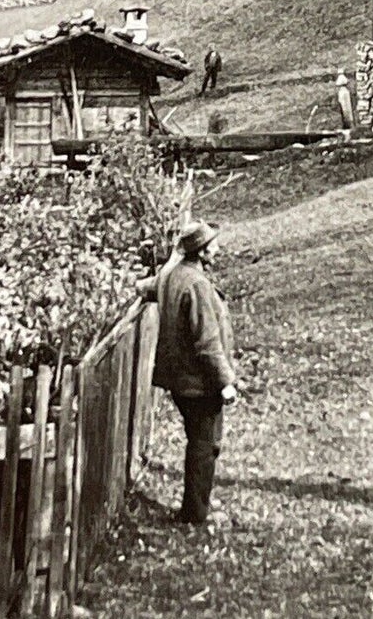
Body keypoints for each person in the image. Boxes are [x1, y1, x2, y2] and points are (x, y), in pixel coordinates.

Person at [143, 219, 237, 524]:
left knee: (199, 440)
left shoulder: (171, 276)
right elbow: (207, 342)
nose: (218, 250)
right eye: (214, 246)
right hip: (198, 381)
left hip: (179, 380)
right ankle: (195, 514)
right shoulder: (196, 284)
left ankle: (194, 506)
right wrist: (226, 382)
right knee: (204, 445)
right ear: (202, 251)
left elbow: (146, 288)